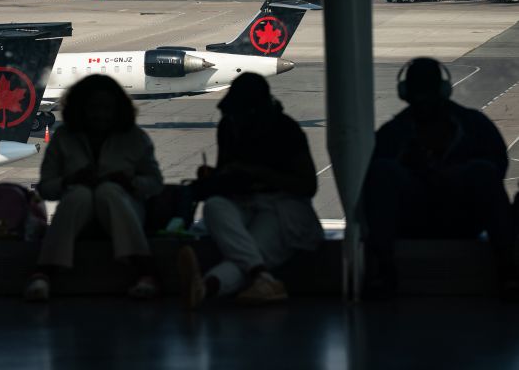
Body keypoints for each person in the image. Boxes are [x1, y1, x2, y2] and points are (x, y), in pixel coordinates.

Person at [361, 57, 516, 298]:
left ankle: (381, 271)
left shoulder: (393, 132)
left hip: (425, 219)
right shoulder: (474, 125)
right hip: (455, 219)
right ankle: (509, 271)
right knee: (481, 171)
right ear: (444, 89)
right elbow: (498, 168)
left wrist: (441, 176)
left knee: (385, 171)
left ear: (404, 92)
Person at [178, 73, 323, 308]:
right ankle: (261, 277)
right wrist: (215, 177)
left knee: (249, 252)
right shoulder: (230, 126)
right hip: (243, 202)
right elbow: (228, 172)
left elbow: (307, 186)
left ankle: (207, 288)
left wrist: (254, 172)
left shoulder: (286, 131)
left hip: (282, 207)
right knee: (215, 207)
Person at [24, 75, 164, 302]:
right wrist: (69, 182)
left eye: (107, 108)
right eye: (93, 108)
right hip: (81, 213)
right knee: (80, 194)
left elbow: (155, 184)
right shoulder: (64, 138)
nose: (100, 114)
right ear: (81, 109)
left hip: (122, 209)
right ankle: (145, 271)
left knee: (107, 192)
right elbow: (47, 188)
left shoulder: (134, 138)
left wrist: (130, 183)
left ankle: (44, 272)